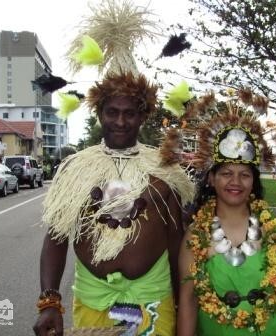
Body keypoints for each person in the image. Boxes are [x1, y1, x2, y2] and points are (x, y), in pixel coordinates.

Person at [33, 71, 195, 336]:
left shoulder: (165, 170)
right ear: (100, 114)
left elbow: (176, 242)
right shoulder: (75, 169)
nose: (120, 121)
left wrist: (183, 305)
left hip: (153, 301)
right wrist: (49, 302)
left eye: (129, 113)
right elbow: (56, 239)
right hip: (92, 301)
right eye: (112, 112)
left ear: (142, 116)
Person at [177, 109, 276, 335]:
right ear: (211, 178)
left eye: (244, 174)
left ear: (253, 181)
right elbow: (188, 300)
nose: (235, 182)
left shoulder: (273, 231)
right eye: (226, 173)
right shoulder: (196, 235)